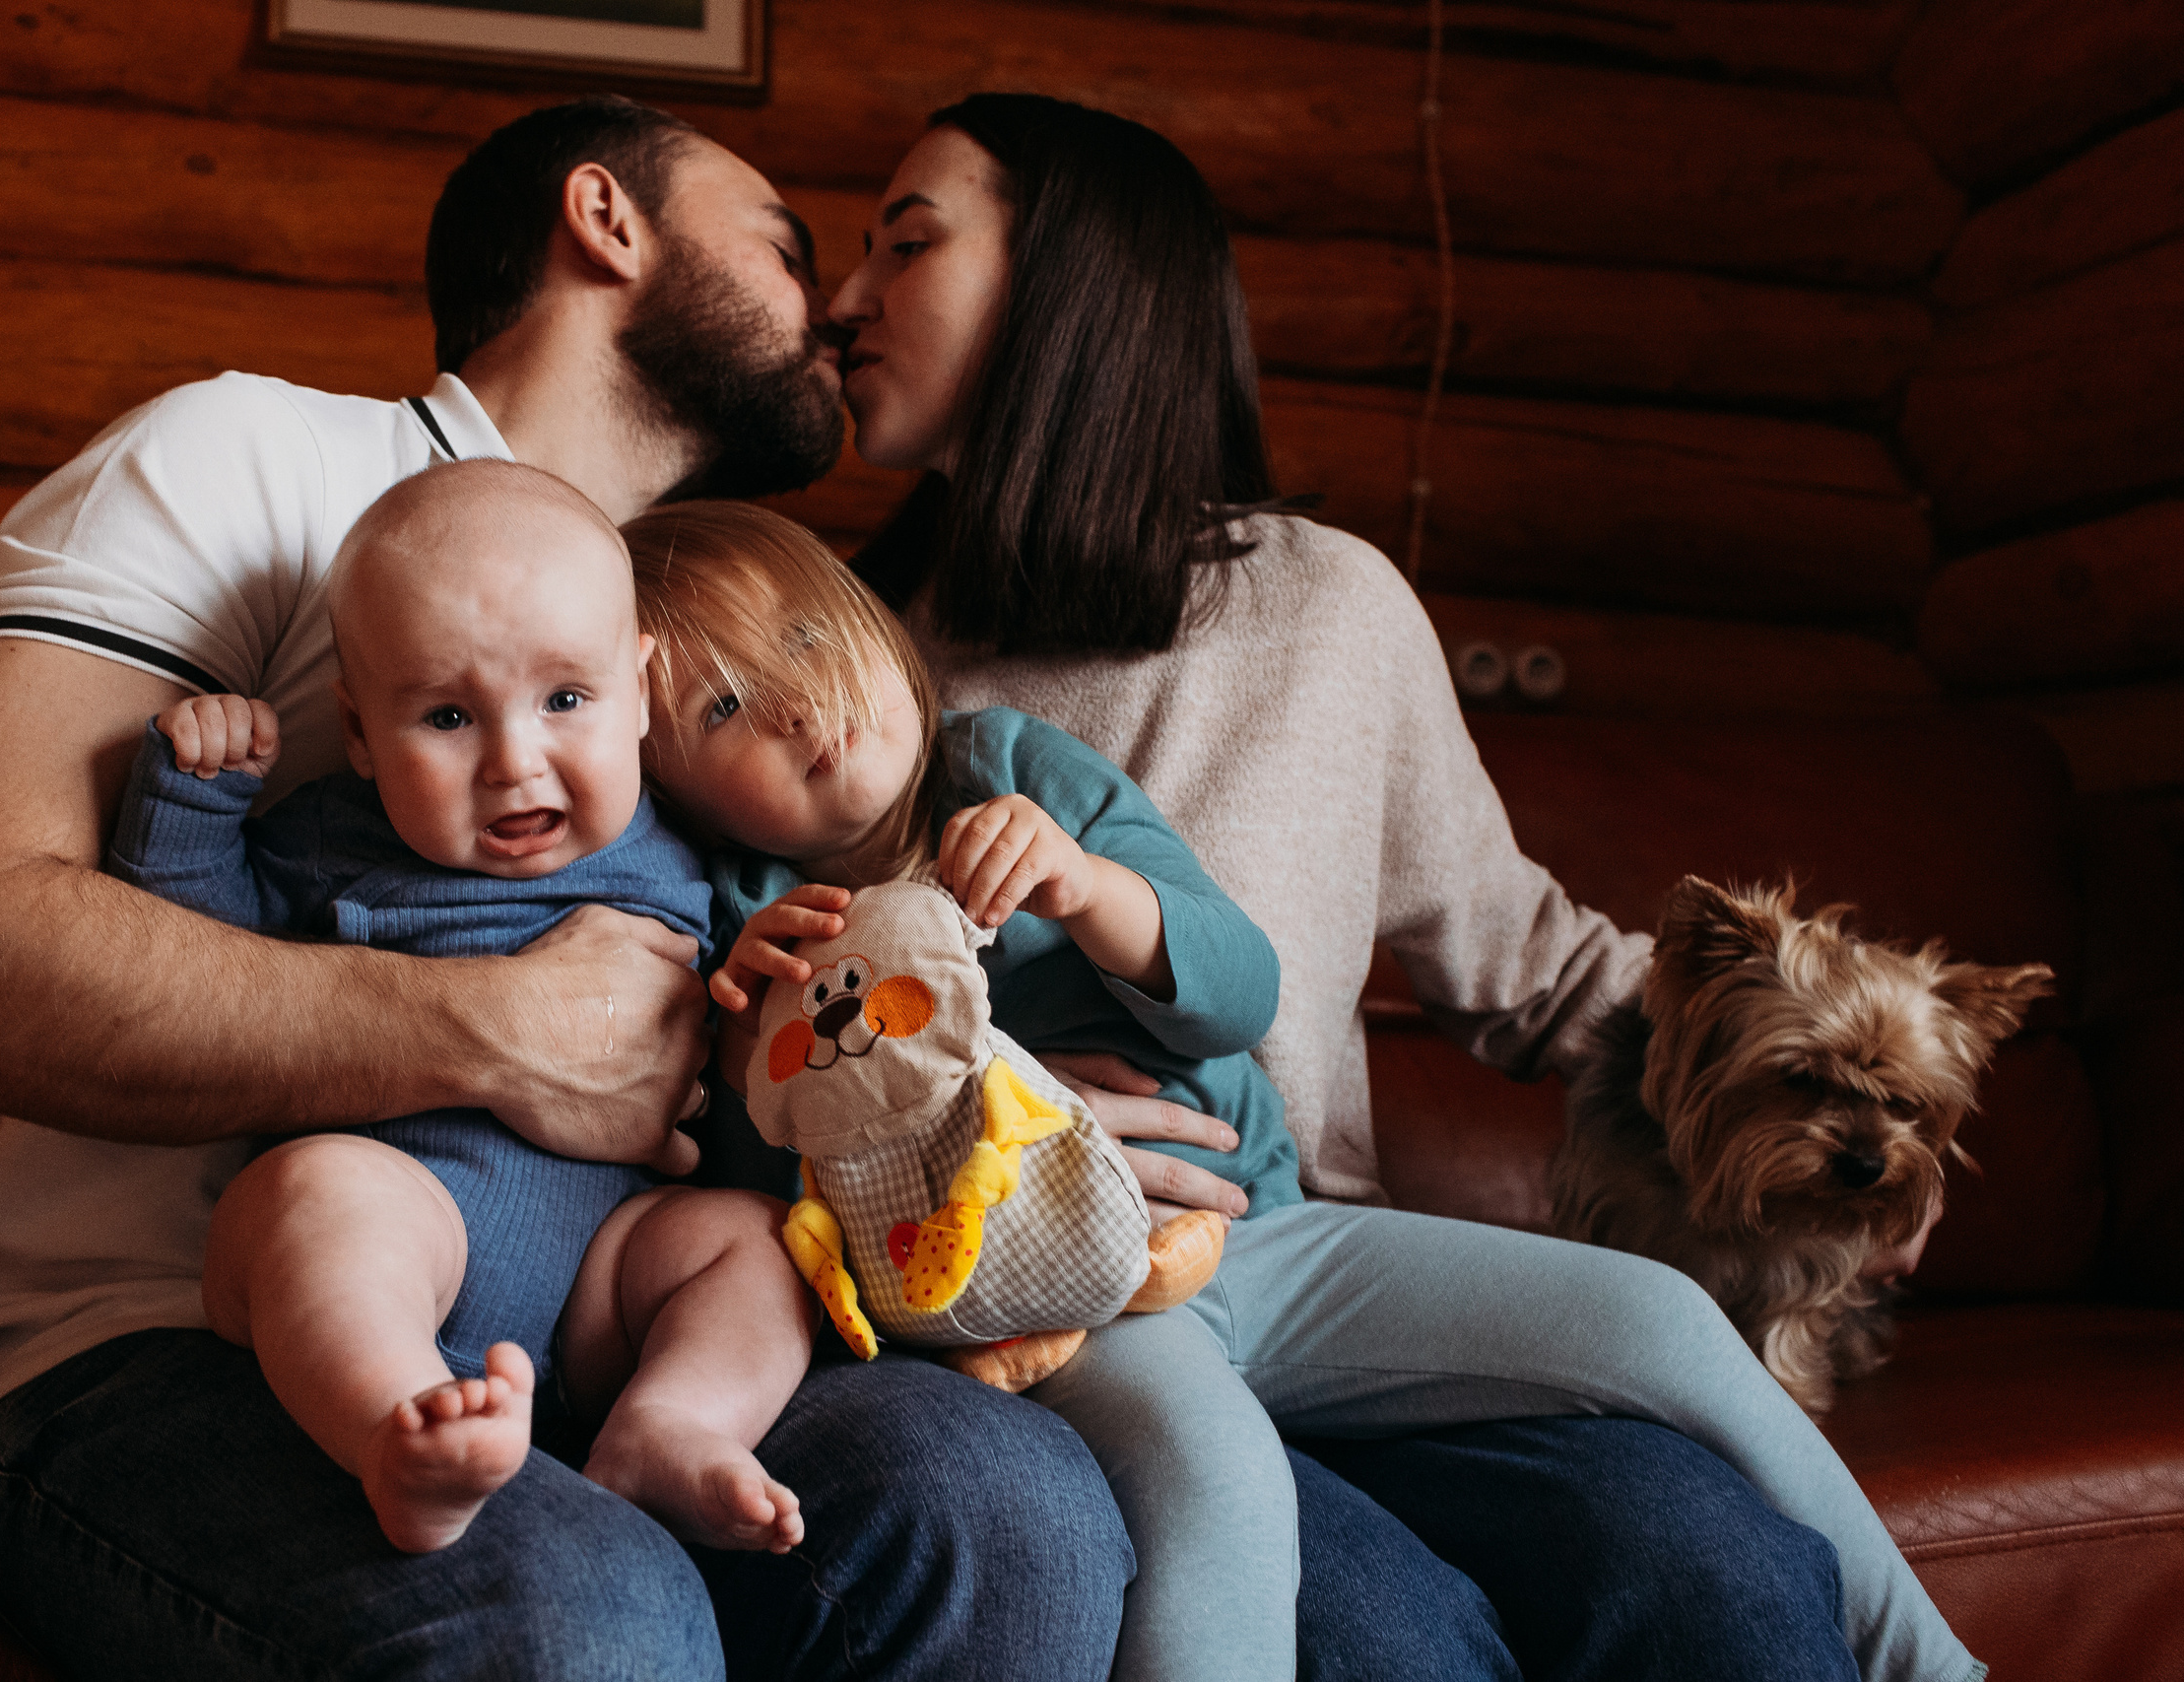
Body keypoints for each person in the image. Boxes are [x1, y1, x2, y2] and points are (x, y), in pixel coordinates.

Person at [0, 98, 1131, 1680]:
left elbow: (785, 971)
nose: (840, 305)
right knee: (585, 1614)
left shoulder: (699, 646)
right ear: (608, 219)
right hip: (147, 1331)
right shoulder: (249, 460)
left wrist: (984, 1097)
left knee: (1013, 1509)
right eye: (790, 247)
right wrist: (490, 1027)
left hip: (605, 1297)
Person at [825, 92, 1988, 1682]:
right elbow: (814, 1024)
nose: (845, 299)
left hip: (1336, 1274)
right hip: (1076, 1315)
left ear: (1075, 284)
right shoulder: (845, 683)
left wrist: (1833, 1112)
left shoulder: (1325, 603)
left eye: (906, 243)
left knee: (1719, 1570)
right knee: (1392, 1640)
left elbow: (1540, 965)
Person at [629, 499, 1305, 1679]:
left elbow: (1243, 995)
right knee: (1220, 1490)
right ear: (670, 792)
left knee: (1652, 1328)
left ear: (872, 625)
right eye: (720, 706)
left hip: (1273, 1222)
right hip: (1074, 1304)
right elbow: (798, 1226)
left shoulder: (1008, 767)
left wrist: (1089, 888)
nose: (798, 703)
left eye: (798, 635)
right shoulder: (755, 931)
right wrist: (745, 1057)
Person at [112, 462, 822, 1557]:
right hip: (403, 1232)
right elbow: (192, 965)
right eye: (447, 715)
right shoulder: (331, 839)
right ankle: (396, 1430)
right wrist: (191, 805)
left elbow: (743, 1033)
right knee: (311, 1194)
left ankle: (667, 1421)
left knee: (759, 1243)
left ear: (641, 691)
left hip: (607, 1273)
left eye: (566, 700)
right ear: (358, 733)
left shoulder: (689, 851)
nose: (513, 760)